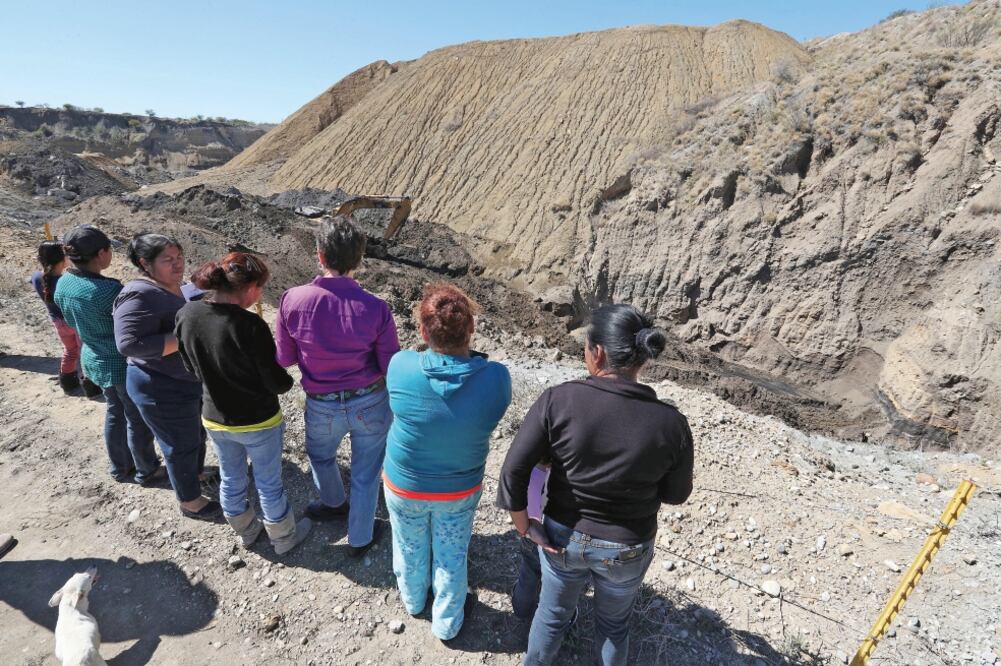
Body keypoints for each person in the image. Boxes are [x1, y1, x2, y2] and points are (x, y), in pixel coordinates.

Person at [497, 304, 695, 666]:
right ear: (641, 360)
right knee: (614, 625)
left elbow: (513, 471)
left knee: (552, 614)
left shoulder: (558, 400)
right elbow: (675, 495)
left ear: (598, 352)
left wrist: (526, 528)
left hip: (561, 537)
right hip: (629, 545)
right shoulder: (672, 423)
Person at [384, 283, 511, 641]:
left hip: (403, 485)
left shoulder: (400, 366)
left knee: (408, 546)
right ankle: (447, 622)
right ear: (471, 328)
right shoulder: (496, 378)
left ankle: (412, 600)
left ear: (423, 331)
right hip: (458, 489)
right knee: (451, 554)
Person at [275, 216, 400, 556]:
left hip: (321, 402)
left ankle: (332, 503)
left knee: (320, 456)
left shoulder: (292, 300)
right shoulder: (376, 308)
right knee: (366, 471)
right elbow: (391, 365)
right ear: (359, 259)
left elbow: (284, 359)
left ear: (320, 255)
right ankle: (360, 536)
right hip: (371, 400)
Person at [175, 252, 312, 554]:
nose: (260, 294)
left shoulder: (187, 314)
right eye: (260, 288)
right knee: (267, 482)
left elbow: (190, 367)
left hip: (214, 417)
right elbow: (276, 382)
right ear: (249, 288)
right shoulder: (250, 326)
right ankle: (283, 537)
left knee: (231, 476)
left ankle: (247, 530)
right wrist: (289, 380)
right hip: (258, 420)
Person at [113, 232, 220, 520]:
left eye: (179, 257)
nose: (177, 264)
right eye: (167, 260)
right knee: (180, 444)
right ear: (145, 263)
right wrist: (184, 335)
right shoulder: (139, 293)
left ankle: (194, 474)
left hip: (181, 381)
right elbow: (128, 343)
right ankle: (191, 502)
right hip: (159, 385)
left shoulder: (171, 286)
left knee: (194, 435)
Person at [53, 225, 163, 485]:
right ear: (101, 254)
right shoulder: (108, 291)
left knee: (116, 412)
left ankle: (120, 467)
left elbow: (68, 319)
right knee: (136, 419)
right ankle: (146, 469)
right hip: (119, 363)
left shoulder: (65, 282)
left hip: (92, 355)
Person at [32, 241, 84, 393]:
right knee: (85, 351)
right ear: (63, 259)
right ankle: (91, 383)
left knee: (70, 351)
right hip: (73, 322)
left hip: (57, 322)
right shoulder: (66, 281)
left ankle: (67, 381)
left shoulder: (37, 277)